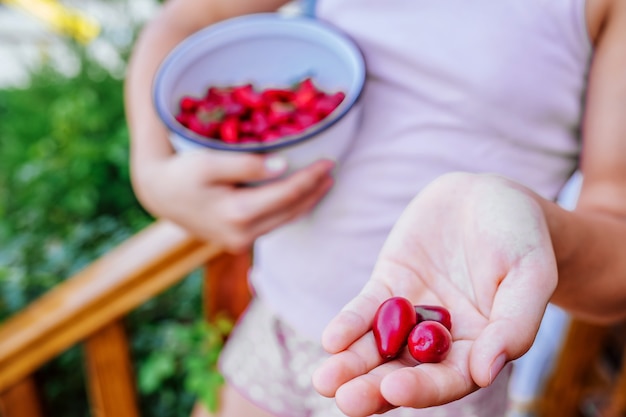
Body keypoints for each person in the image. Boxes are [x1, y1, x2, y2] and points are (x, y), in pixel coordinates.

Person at [123, 0, 626, 416]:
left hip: (435, 380)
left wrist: (537, 226)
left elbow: (617, 247)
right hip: (276, 321)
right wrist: (152, 174)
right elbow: (186, 19)